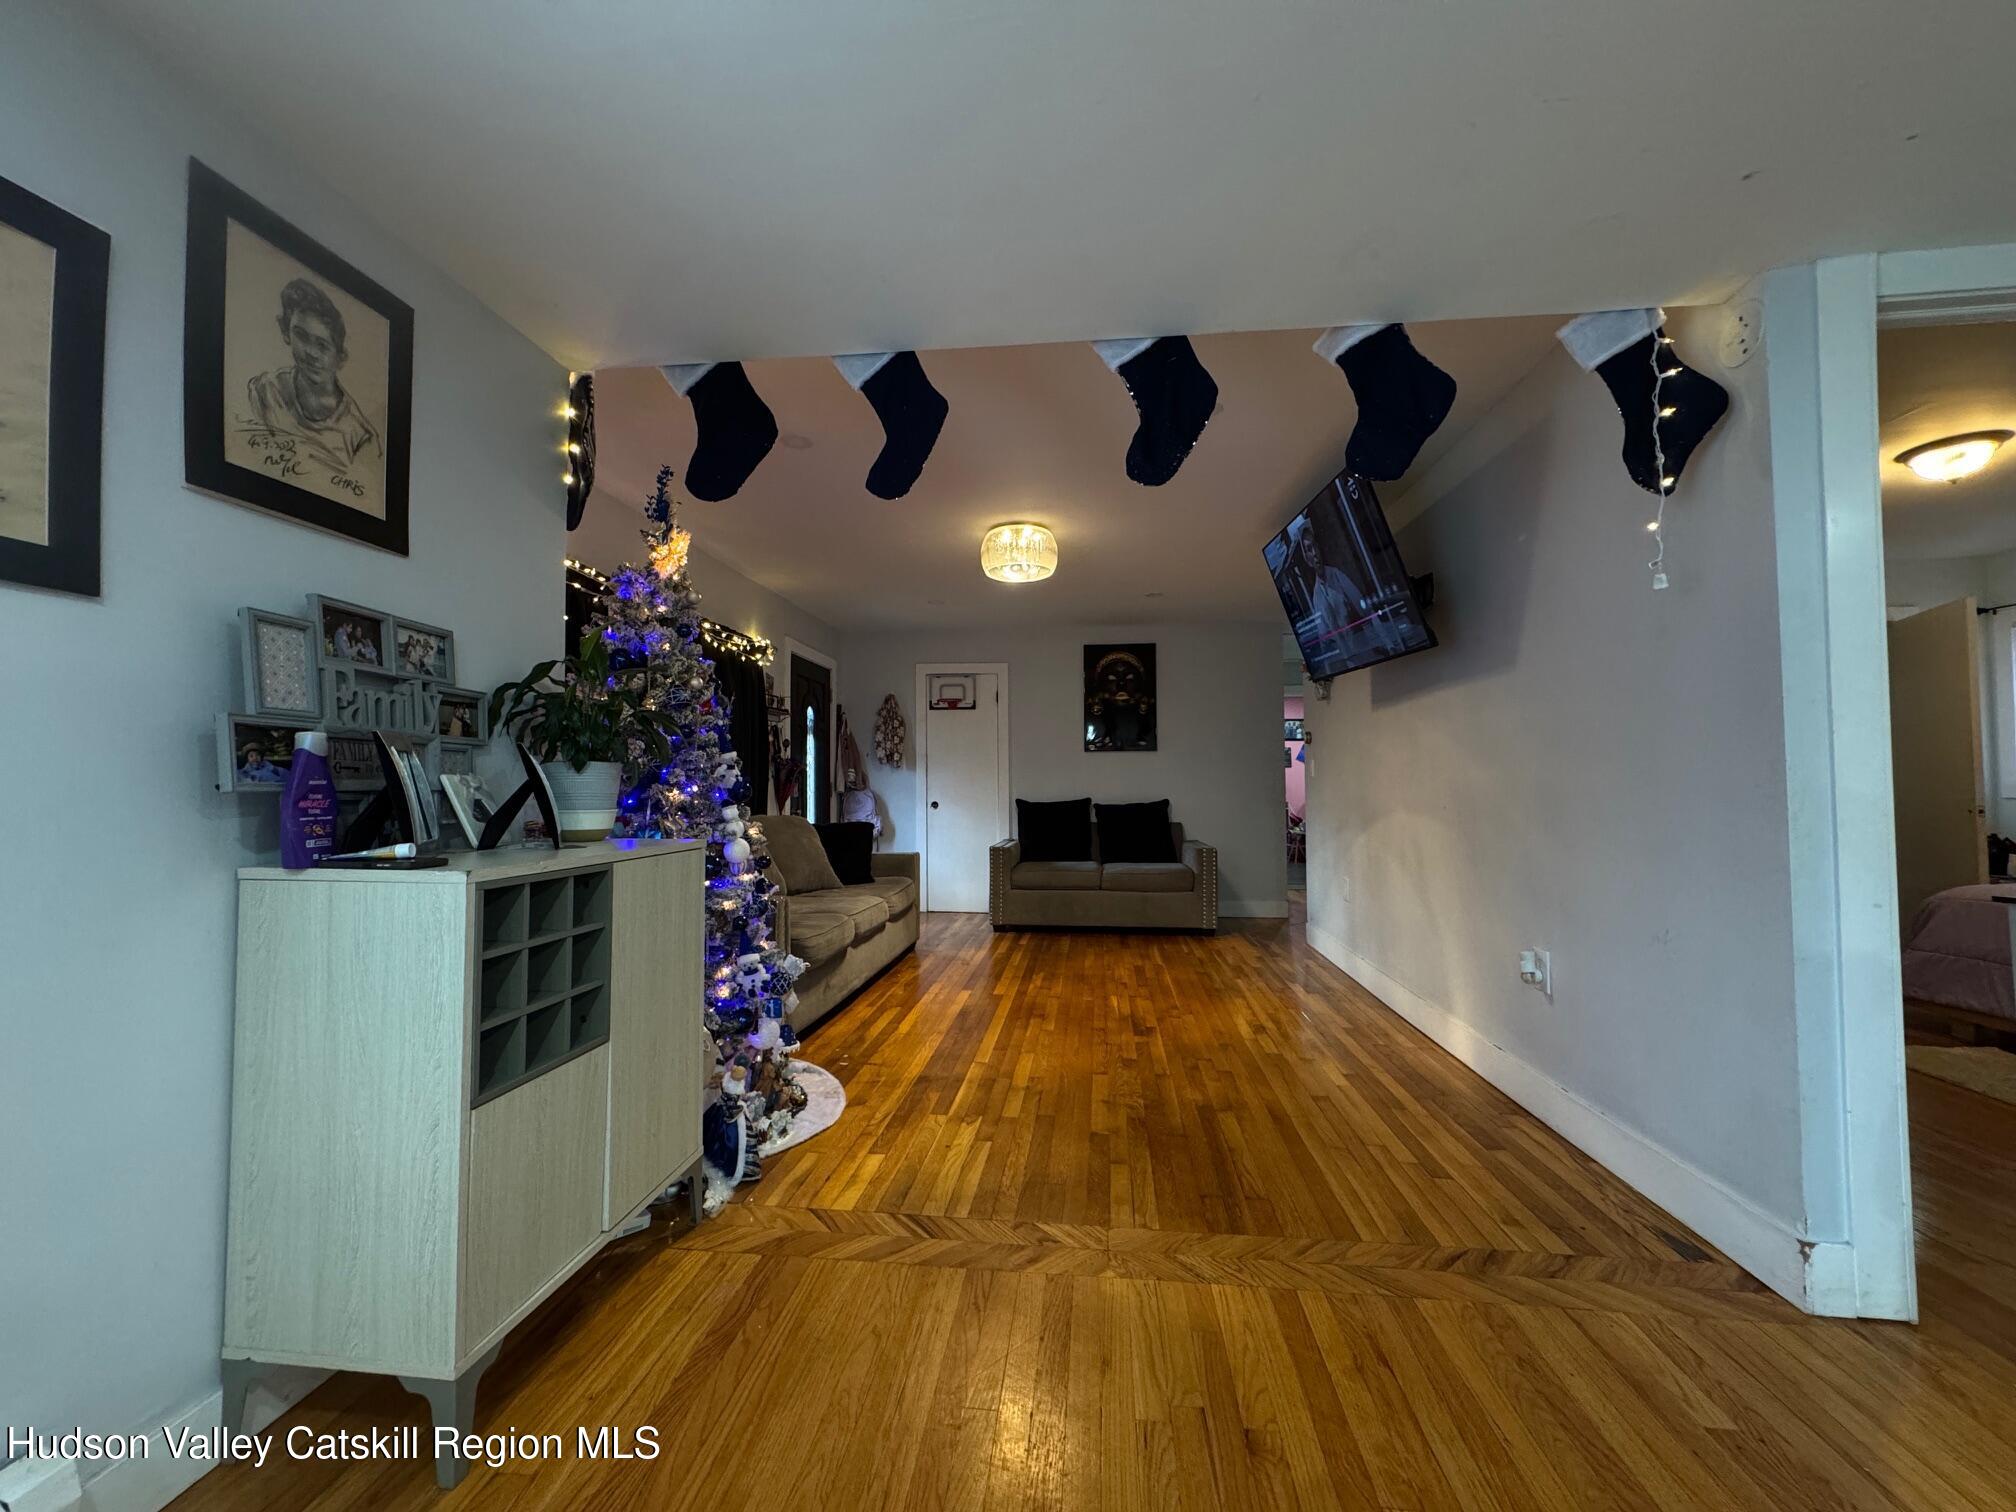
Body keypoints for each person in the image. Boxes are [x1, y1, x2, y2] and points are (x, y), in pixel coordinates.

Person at [246, 278, 382, 476]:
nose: (311, 352)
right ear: (286, 332)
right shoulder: (264, 391)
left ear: (340, 358)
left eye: (322, 345)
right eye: (301, 336)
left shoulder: (360, 436)